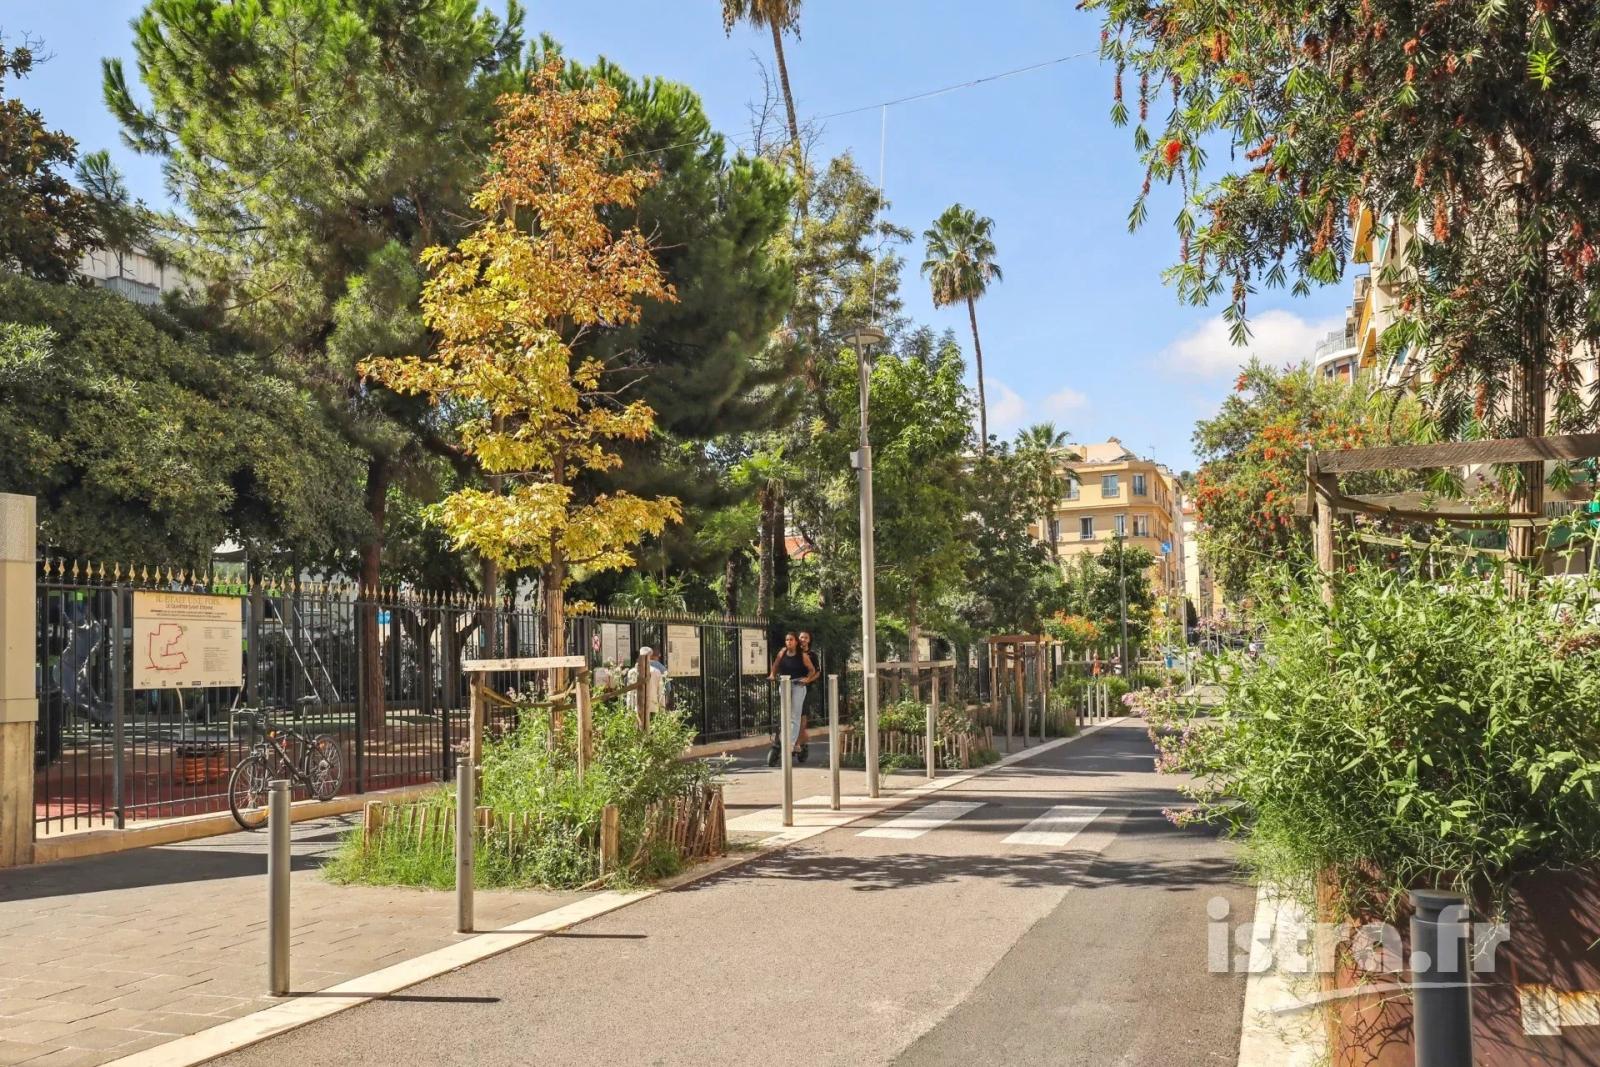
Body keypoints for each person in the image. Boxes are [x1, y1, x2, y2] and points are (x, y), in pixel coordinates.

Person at [767, 632, 818, 759]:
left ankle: (790, 743)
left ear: (796, 642)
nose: (789, 642)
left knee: (796, 716)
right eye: (787, 640)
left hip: (798, 685)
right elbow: (776, 665)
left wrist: (807, 679)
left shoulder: (803, 655)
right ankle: (783, 741)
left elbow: (813, 670)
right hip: (784, 684)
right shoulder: (782, 652)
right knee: (785, 715)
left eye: (791, 640)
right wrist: (772, 675)